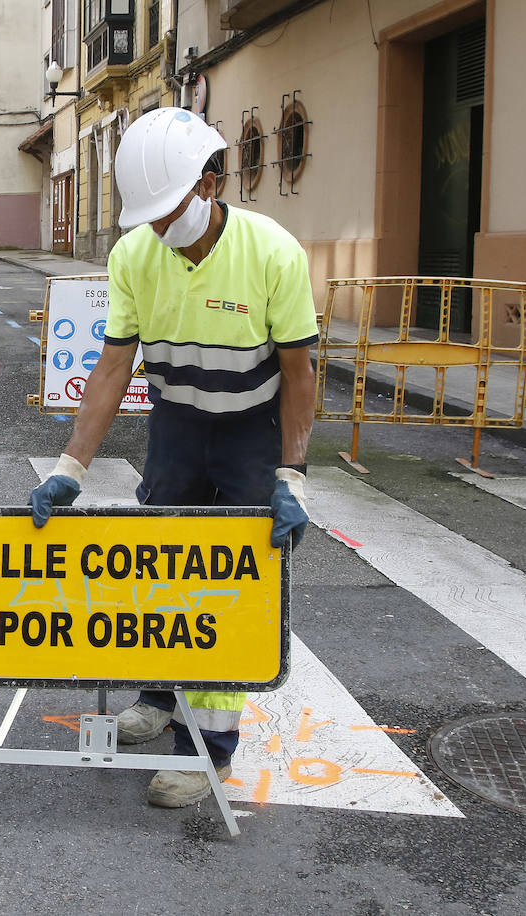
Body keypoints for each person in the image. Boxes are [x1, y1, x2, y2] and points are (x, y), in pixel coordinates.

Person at [28, 107, 318, 808]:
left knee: (228, 582)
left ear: (209, 185)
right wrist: (71, 467)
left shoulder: (273, 253)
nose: (159, 229)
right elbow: (112, 367)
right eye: (149, 218)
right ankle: (158, 695)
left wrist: (292, 475)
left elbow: (300, 373)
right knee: (159, 563)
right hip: (178, 425)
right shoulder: (134, 257)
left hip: (250, 429)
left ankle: (205, 751)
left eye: (167, 213)